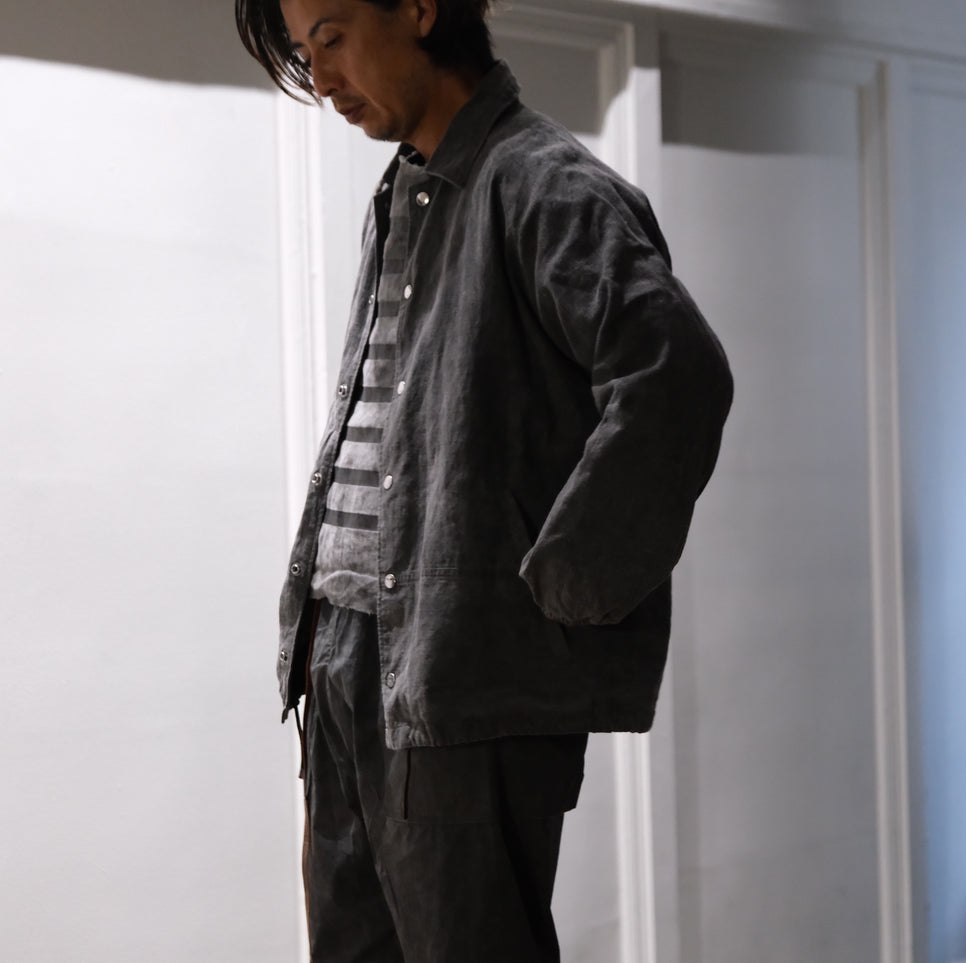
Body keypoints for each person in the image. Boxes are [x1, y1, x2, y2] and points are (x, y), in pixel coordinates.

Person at [237, 0, 733, 956]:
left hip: (457, 665)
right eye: (305, 53)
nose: (322, 79)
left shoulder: (545, 184)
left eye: (331, 38)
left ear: (418, 9)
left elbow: (676, 376)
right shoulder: (408, 187)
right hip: (342, 649)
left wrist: (562, 589)